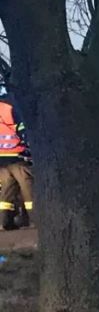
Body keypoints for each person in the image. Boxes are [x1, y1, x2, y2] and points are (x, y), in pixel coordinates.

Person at [0, 86, 33, 230]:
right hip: (17, 154)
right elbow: (22, 129)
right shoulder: (11, 107)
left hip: (1, 158)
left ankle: (4, 222)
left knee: (7, 190)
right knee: (29, 188)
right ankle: (36, 221)